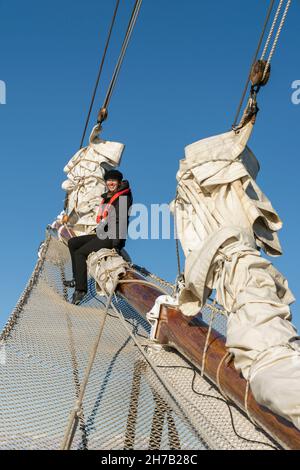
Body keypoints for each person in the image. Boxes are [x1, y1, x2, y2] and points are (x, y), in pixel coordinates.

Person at [64, 169, 133, 305]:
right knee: (73, 242)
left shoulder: (123, 198)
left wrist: (116, 245)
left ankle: (81, 290)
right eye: (108, 181)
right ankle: (76, 278)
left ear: (119, 183)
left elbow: (122, 221)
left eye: (114, 181)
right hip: (102, 233)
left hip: (113, 236)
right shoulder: (108, 197)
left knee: (80, 253)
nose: (111, 183)